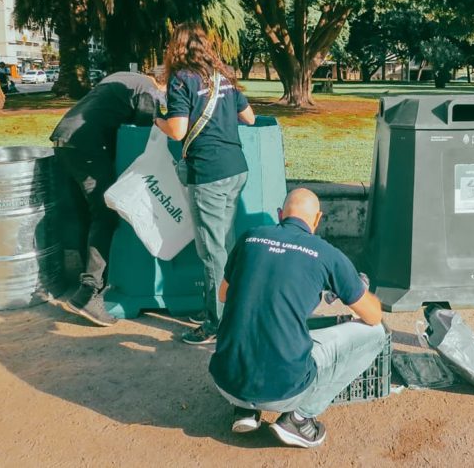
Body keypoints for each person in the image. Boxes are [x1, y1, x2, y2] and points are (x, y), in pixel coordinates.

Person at [209, 188, 386, 448]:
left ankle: (244, 409)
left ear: (280, 215)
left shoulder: (249, 238)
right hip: (284, 390)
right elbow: (373, 316)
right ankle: (299, 420)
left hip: (226, 383)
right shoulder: (327, 254)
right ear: (317, 220)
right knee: (376, 333)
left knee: (252, 321)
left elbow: (224, 295)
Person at [155, 23, 255, 345]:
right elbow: (249, 118)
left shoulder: (181, 79)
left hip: (209, 174)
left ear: (178, 48)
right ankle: (220, 307)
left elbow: (178, 131)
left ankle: (216, 324)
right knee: (222, 247)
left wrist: (157, 119)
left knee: (211, 252)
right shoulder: (222, 77)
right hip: (236, 169)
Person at [52, 72, 164, 326]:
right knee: (105, 215)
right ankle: (88, 294)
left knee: (86, 215)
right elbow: (144, 131)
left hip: (65, 140)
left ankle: (85, 283)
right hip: (88, 148)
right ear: (162, 83)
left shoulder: (125, 78)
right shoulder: (148, 89)